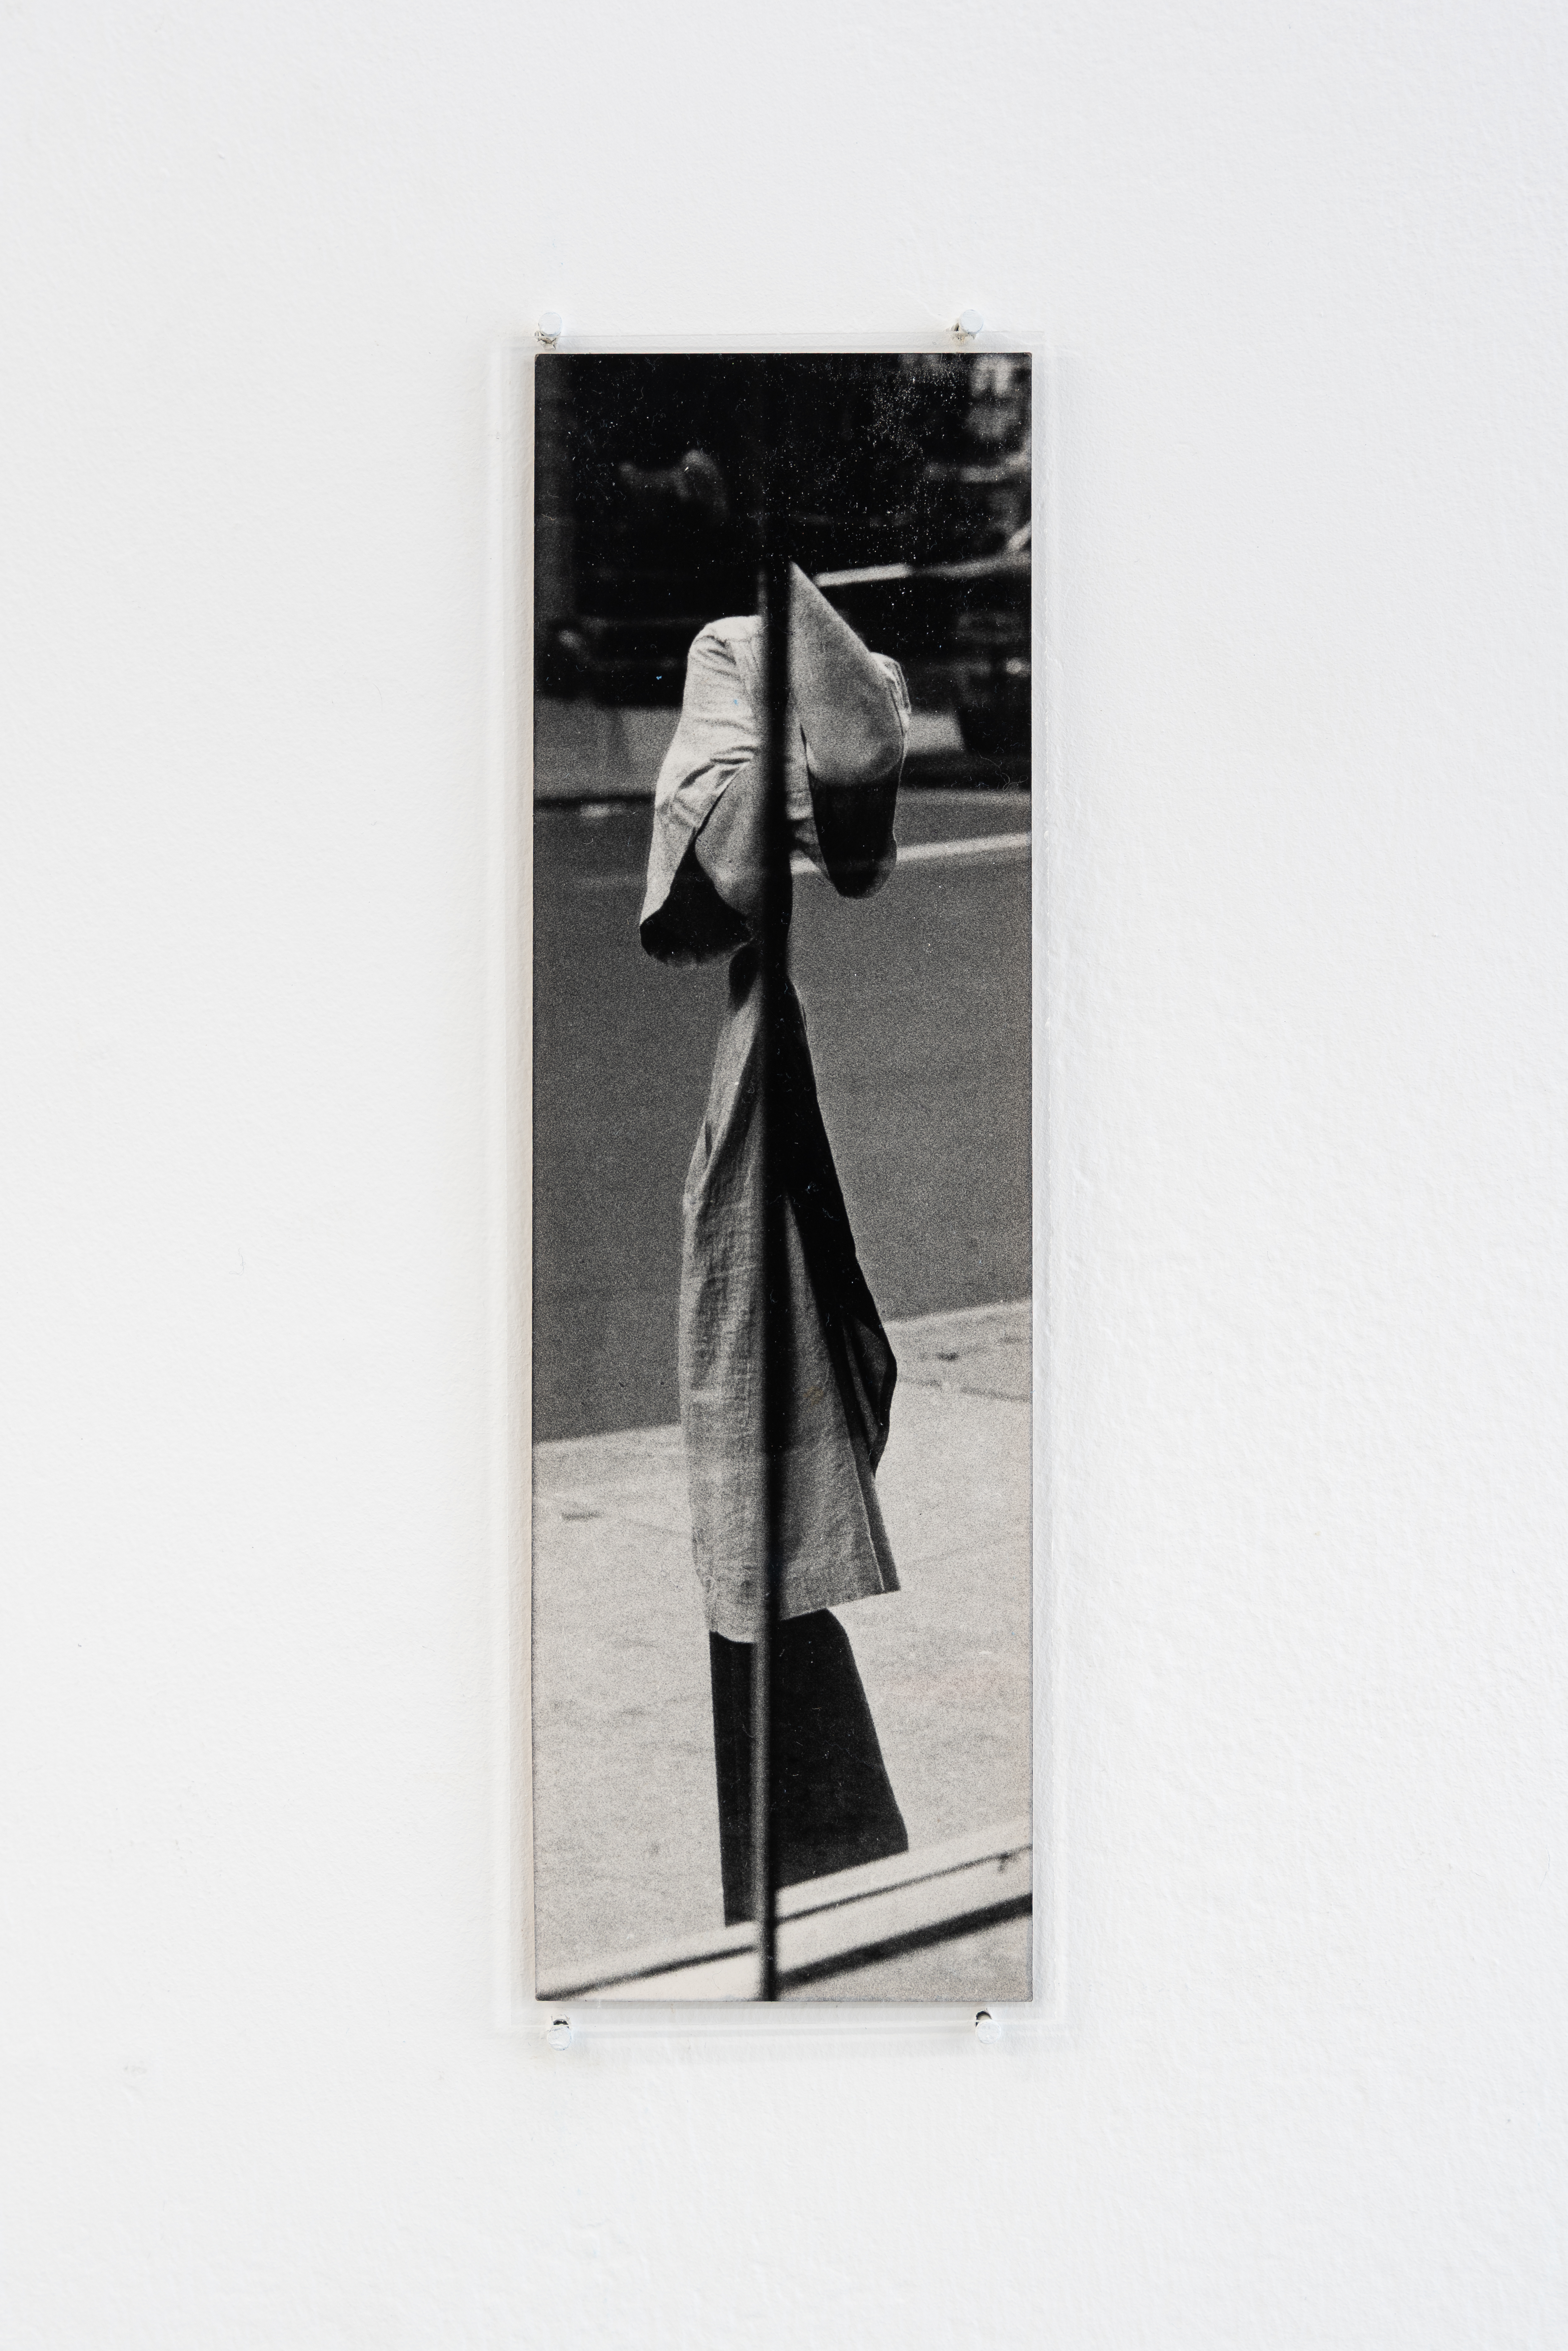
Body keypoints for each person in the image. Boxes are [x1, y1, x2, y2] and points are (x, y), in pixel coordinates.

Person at [639, 564, 914, 1925]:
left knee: (766, 1498)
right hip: (771, 1107)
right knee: (758, 1503)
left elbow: (842, 791)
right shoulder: (750, 658)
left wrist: (768, 565)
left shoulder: (775, 652)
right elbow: (732, 888)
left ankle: (816, 1862)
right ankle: (818, 1854)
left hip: (783, 1121)